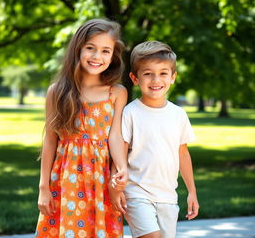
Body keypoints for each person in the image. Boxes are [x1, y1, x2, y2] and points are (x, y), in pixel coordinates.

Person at [35, 18, 128, 238]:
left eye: (106, 51)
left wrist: (122, 168)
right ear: (78, 49)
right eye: (90, 48)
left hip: (102, 180)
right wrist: (43, 187)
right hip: (66, 180)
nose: (97, 57)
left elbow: (115, 135)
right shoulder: (57, 91)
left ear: (113, 55)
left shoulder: (116, 92)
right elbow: (50, 139)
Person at [110, 41, 199, 238]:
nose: (155, 79)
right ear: (135, 78)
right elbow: (120, 151)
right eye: (148, 73)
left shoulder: (178, 114)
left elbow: (182, 153)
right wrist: (115, 187)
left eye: (163, 73)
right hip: (136, 193)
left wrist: (192, 191)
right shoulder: (131, 112)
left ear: (173, 77)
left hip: (168, 196)